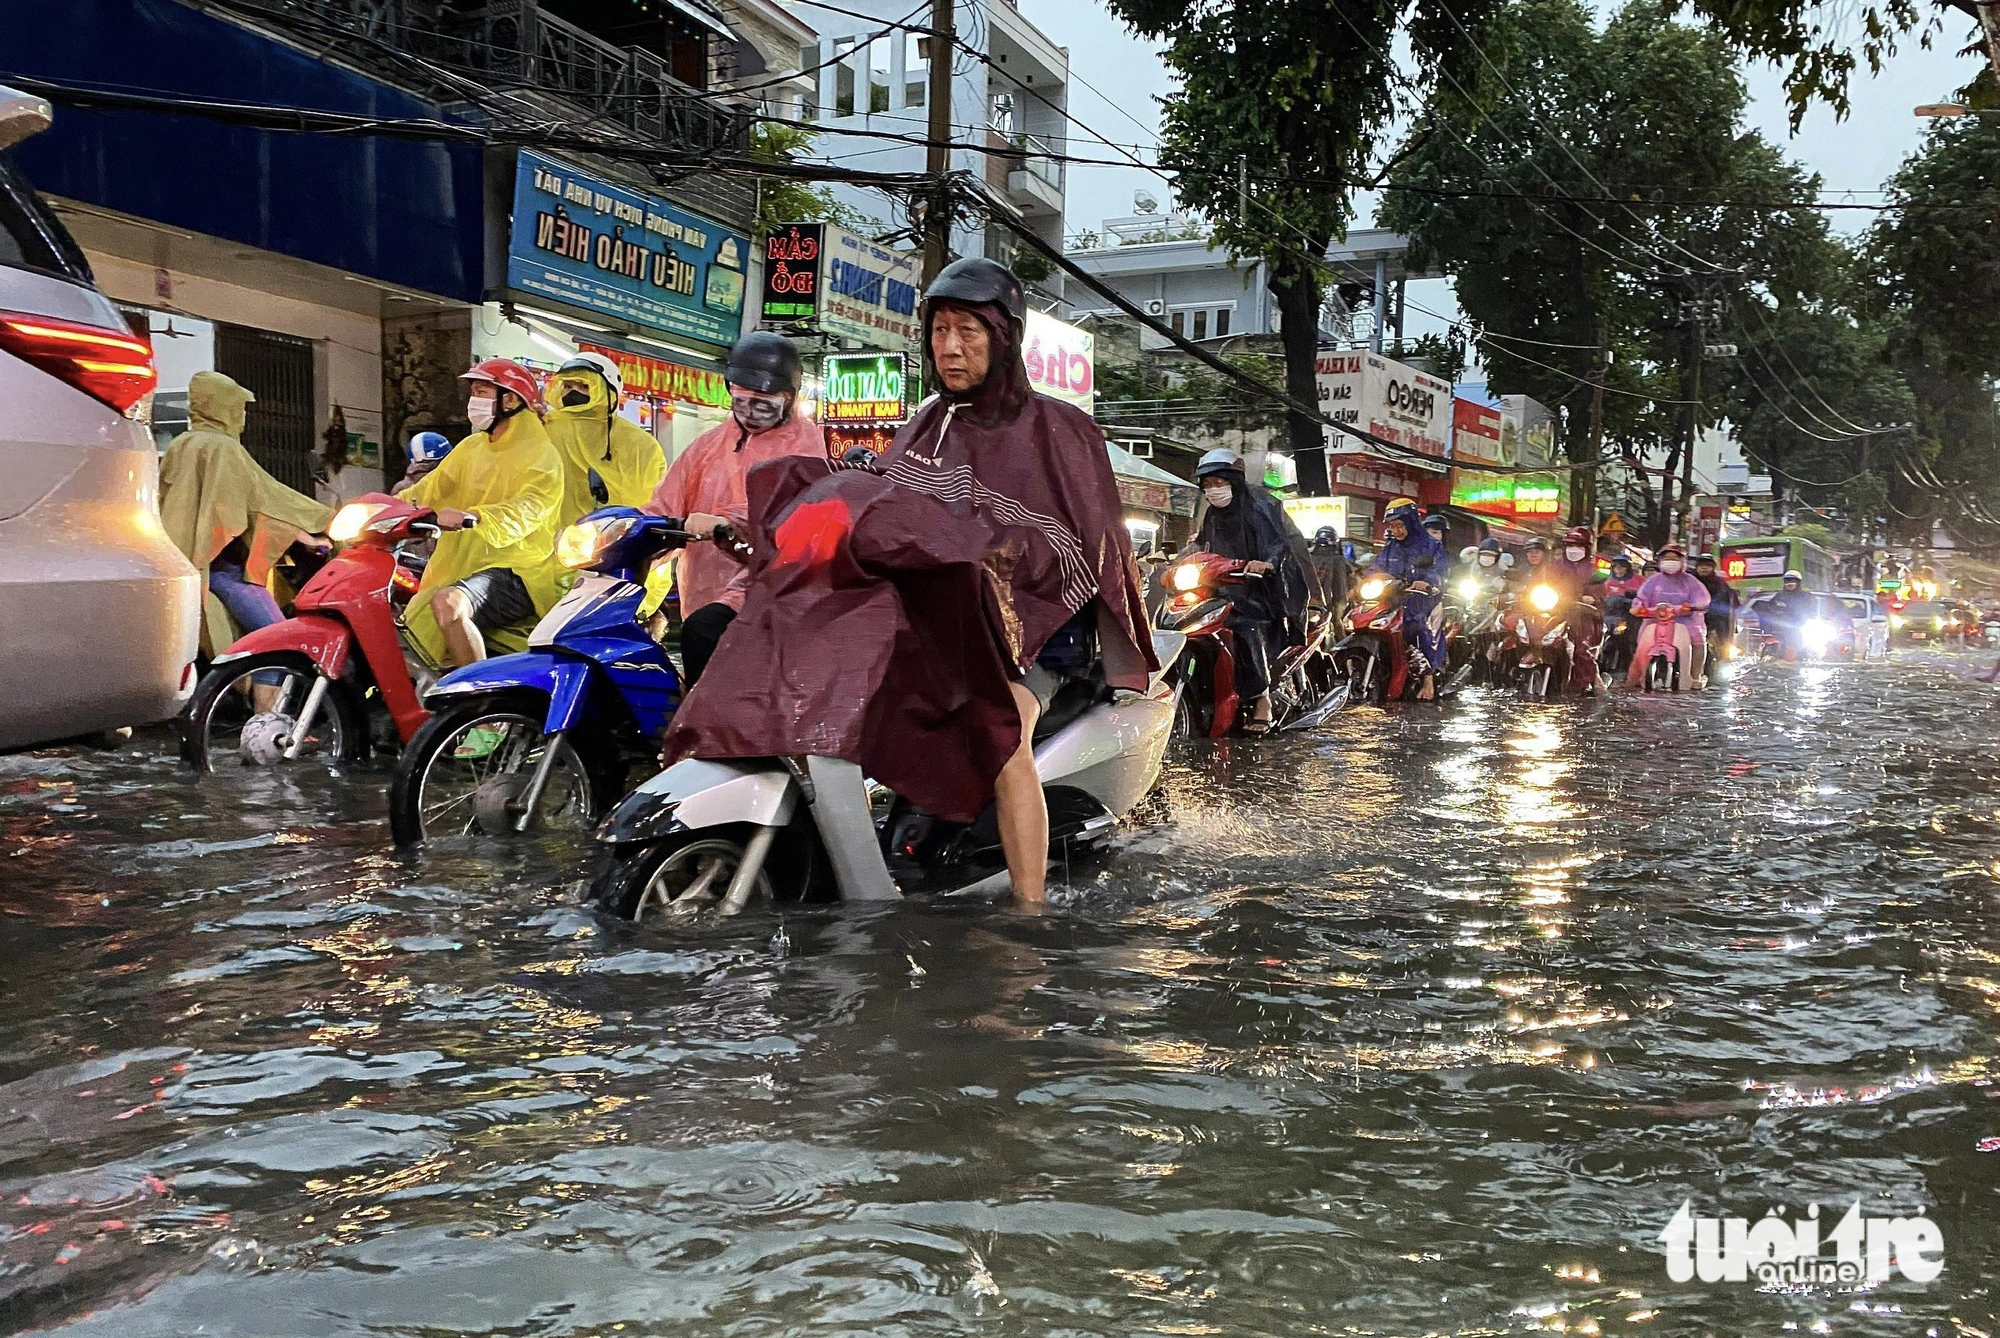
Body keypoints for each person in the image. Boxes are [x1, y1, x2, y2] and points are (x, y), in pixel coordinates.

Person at [876, 257, 1154, 903]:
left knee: (1000, 739)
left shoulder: (1062, 430)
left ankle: (1028, 917)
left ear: (1003, 338)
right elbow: (889, 516)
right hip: (947, 631)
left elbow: (1087, 552)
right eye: (940, 330)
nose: (950, 347)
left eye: (967, 332)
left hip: (1044, 637)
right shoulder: (926, 424)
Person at [644, 332, 825, 689]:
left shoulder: (806, 446)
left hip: (766, 594)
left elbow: (786, 514)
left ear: (789, 399)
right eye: (743, 399)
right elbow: (662, 506)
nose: (752, 410)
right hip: (702, 596)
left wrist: (728, 524)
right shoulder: (706, 447)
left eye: (764, 401)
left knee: (705, 638)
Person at [158, 371, 333, 693]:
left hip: (181, 564)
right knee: (281, 639)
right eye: (238, 407)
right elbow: (262, 501)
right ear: (220, 407)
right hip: (224, 569)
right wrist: (317, 527)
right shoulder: (223, 448)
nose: (242, 416)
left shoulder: (180, 445)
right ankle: (265, 723)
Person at [402, 359, 566, 668]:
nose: (472, 402)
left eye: (481, 391)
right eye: (473, 393)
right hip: (464, 565)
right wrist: (386, 508)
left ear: (510, 399)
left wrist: (477, 516)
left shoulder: (542, 455)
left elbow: (530, 507)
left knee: (449, 604)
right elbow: (428, 489)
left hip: (519, 570)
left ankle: (480, 708)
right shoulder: (471, 447)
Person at [1190, 448, 1308, 734]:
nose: (1212, 491)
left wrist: (1266, 563)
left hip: (1263, 589)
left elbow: (1277, 543)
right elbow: (1202, 545)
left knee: (1245, 628)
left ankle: (1262, 697)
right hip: (1224, 588)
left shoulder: (1260, 506)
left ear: (1234, 481)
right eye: (1207, 485)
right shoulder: (1212, 514)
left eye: (1218, 483)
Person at [543, 352, 666, 524]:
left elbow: (655, 499)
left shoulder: (640, 443)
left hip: (610, 536)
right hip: (553, 538)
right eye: (568, 386)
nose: (573, 393)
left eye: (584, 386)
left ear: (608, 392)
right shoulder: (545, 427)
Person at [1369, 498, 1449, 700]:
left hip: (1422, 600)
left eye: (1400, 525)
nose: (1396, 531)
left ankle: (1428, 679)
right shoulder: (1390, 547)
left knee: (1416, 626)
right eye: (1392, 526)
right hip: (1394, 597)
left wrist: (1427, 582)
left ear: (1411, 522)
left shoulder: (1431, 546)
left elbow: (1438, 571)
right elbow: (1377, 568)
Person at [1629, 542, 1712, 687]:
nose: (1670, 562)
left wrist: (1692, 606)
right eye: (1667, 558)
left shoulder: (1690, 581)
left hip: (1685, 621)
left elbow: (1702, 598)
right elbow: (1641, 597)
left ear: (1682, 561)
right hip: (1655, 620)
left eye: (1674, 558)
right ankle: (1639, 674)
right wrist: (1638, 607)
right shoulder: (1653, 581)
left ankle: (1695, 675)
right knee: (1643, 640)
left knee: (1698, 640)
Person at [1545, 525, 1604, 693]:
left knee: (1581, 649)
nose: (1573, 550)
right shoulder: (1553, 567)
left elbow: (1598, 591)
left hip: (1583, 615)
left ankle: (1585, 681)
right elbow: (1539, 583)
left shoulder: (1594, 571)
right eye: (1570, 546)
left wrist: (1591, 598)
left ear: (1586, 548)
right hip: (1554, 611)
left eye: (1578, 546)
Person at [1755, 568, 1818, 658]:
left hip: (1797, 631)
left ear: (1798, 582)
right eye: (1787, 581)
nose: (1789, 584)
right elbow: (1769, 611)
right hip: (1778, 632)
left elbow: (1813, 614)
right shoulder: (1779, 597)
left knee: (1800, 654)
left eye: (1792, 581)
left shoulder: (1807, 597)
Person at [1693, 551, 1740, 654]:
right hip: (1692, 625)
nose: (1704, 568)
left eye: (1708, 565)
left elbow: (1733, 606)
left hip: (1716, 628)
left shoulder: (1721, 585)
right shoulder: (1689, 582)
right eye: (1701, 565)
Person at [1308, 525, 1350, 613]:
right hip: (1327, 608)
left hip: (1307, 607)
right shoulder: (1338, 561)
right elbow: (1340, 592)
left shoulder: (1307, 559)